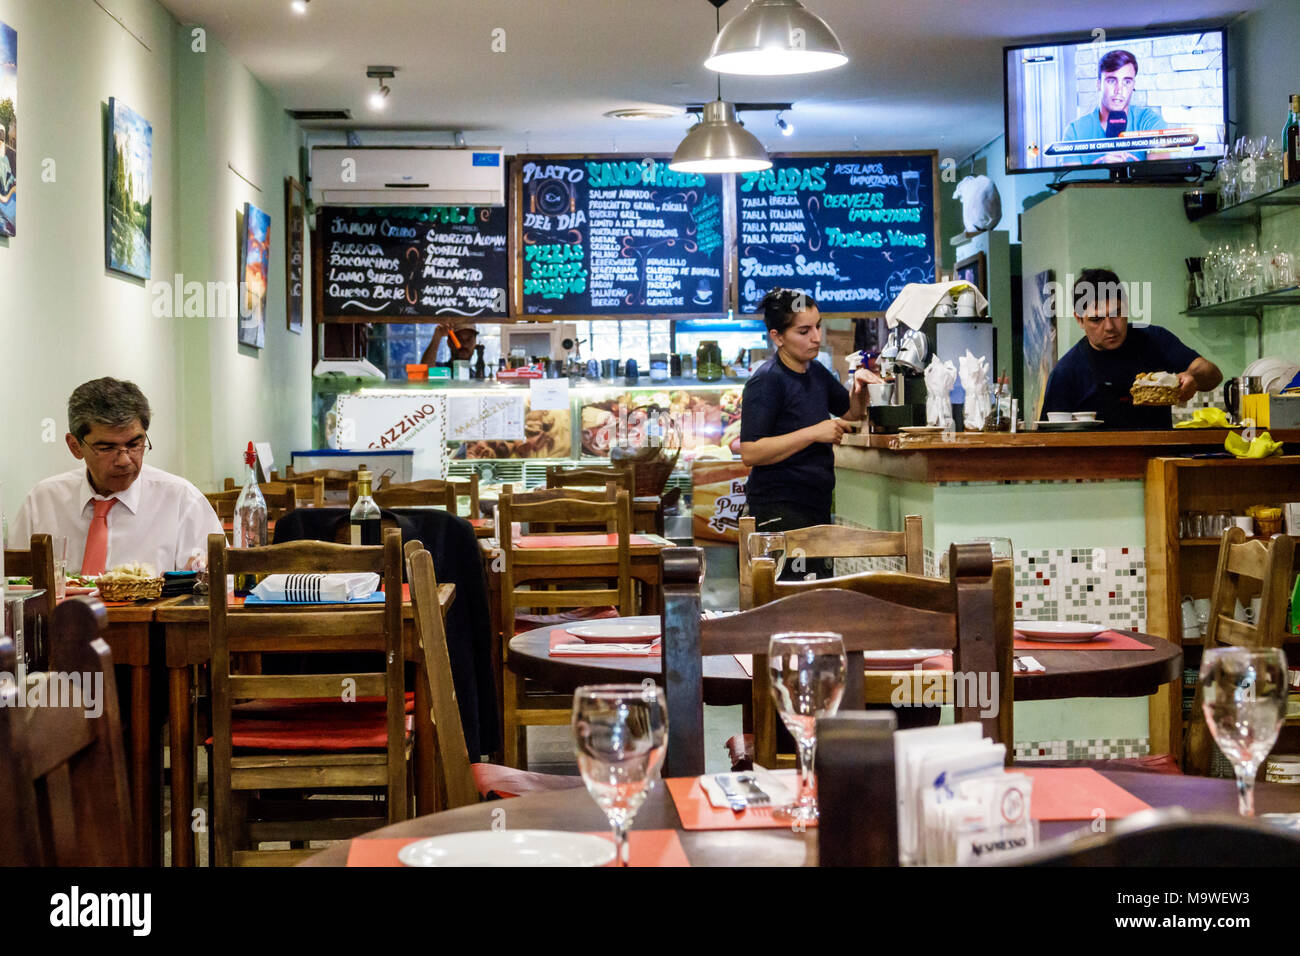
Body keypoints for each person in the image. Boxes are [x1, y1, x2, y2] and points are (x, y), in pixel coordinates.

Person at [8, 377, 222, 574]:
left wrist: (201, 576)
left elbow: (223, 584)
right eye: (107, 447)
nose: (124, 460)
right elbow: (13, 583)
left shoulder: (180, 499)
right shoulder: (43, 501)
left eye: (134, 444)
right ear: (75, 446)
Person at [739, 289, 881, 578]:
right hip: (779, 510)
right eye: (804, 331)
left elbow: (851, 414)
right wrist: (813, 433)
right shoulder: (767, 381)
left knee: (818, 603)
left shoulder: (815, 371)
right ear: (777, 336)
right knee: (792, 609)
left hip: (815, 506)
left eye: (818, 326)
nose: (816, 337)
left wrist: (860, 389)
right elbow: (750, 451)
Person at [1042, 269, 1222, 429]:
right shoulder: (1066, 372)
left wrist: (1193, 378)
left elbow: (1212, 373)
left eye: (1117, 313)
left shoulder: (1154, 339)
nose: (1110, 326)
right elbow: (1050, 444)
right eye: (1097, 319)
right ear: (1079, 319)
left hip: (1159, 458)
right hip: (1097, 464)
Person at [1061, 49, 1166, 165]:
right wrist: (1103, 170)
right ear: (1098, 84)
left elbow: (1160, 176)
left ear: (1133, 85)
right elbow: (1071, 181)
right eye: (1111, 81)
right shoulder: (1074, 132)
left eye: (1127, 82)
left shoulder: (1150, 122)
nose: (1119, 90)